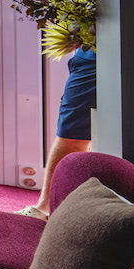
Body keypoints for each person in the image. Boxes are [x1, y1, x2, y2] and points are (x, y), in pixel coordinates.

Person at [25, 46, 94, 216]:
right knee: (72, 132)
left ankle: (46, 208)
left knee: (72, 134)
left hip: (97, 55)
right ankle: (47, 207)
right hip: (90, 52)